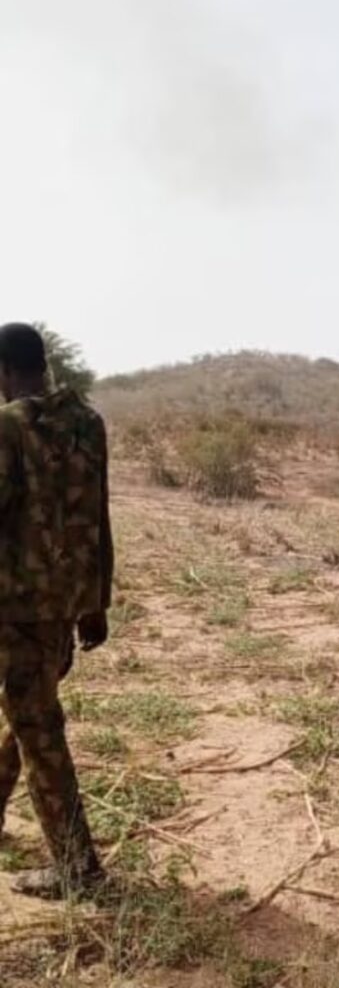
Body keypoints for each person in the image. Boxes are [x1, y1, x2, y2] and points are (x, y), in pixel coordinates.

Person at [0, 323, 113, 897]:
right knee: (27, 709)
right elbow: (99, 516)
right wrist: (95, 604)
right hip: (64, 607)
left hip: (16, 611)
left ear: (3, 372)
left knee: (37, 724)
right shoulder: (88, 423)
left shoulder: (9, 428)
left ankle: (79, 869)